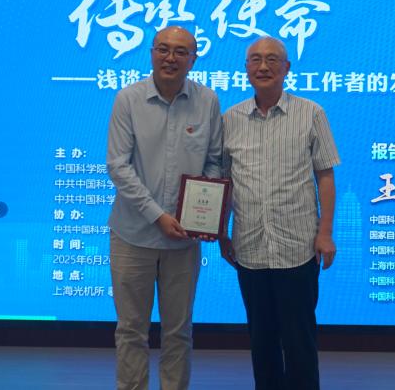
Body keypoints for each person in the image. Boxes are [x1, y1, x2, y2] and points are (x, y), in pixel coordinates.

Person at [220, 36, 340, 390]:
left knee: (299, 340)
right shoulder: (231, 119)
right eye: (255, 59)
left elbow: (325, 176)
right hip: (250, 247)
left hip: (297, 246)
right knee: (262, 341)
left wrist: (325, 233)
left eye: (272, 59)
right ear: (246, 69)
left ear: (287, 68)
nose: (263, 66)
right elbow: (225, 182)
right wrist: (222, 232)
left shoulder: (311, 113)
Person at [106, 26, 223, 390]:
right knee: (131, 330)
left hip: (183, 239)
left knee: (178, 331)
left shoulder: (208, 101)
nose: (170, 58)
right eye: (163, 49)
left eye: (180, 52)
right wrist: (157, 216)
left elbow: (214, 162)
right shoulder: (128, 99)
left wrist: (201, 213)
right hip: (133, 235)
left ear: (194, 59)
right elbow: (118, 166)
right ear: (152, 53)